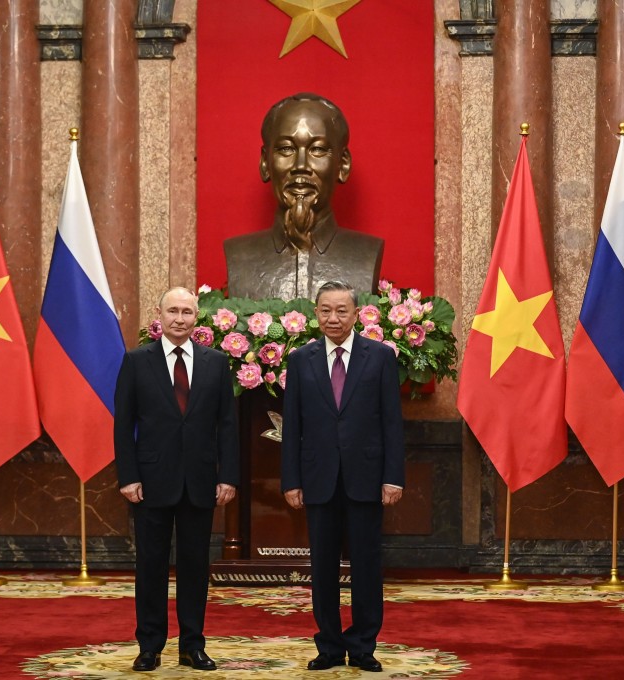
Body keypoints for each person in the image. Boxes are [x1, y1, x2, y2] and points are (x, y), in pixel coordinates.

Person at [280, 280, 405, 673]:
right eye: (325, 310)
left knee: (367, 566)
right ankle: (330, 646)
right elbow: (293, 426)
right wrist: (291, 480)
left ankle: (364, 645)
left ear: (357, 314)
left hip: (367, 479)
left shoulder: (380, 357)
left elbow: (392, 424)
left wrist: (393, 477)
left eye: (342, 311)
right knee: (323, 569)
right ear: (315, 314)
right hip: (318, 480)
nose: (333, 318)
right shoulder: (301, 359)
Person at [114, 286, 240, 672]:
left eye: (187, 312)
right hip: (150, 482)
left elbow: (228, 426)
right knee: (150, 566)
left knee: (194, 566)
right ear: (160, 315)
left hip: (201, 482)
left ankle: (192, 645)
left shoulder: (216, 363)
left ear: (196, 317)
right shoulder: (137, 362)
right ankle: (149, 645)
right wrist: (128, 476)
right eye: (173, 311)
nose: (180, 319)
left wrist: (228, 476)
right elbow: (123, 425)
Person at [224, 93, 383, 300]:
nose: (301, 166)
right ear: (265, 163)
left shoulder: (366, 253)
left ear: (343, 164)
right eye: (286, 149)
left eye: (317, 150)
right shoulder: (240, 254)